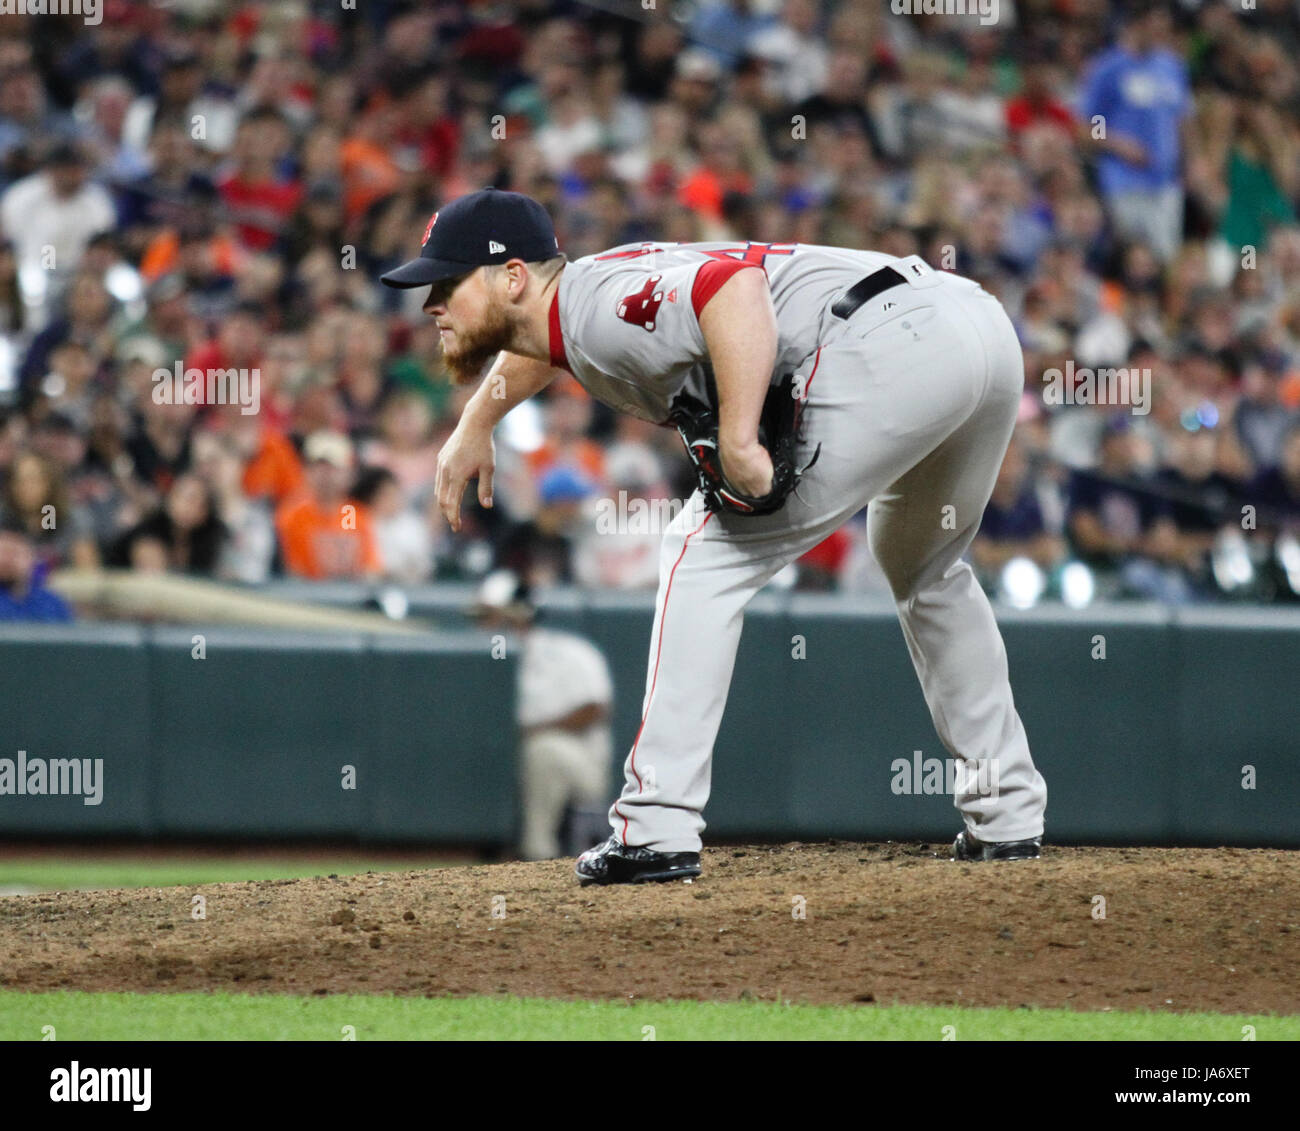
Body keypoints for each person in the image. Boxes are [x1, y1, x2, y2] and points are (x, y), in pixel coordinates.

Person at [383, 187, 1048, 884]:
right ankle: (1007, 815)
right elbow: (546, 346)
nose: (431, 303)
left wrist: (737, 437)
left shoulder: (597, 310)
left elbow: (731, 288)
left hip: (888, 343)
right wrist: (475, 423)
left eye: (447, 283)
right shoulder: (578, 302)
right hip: (976, 332)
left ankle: (654, 826)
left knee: (700, 556)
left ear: (512, 277)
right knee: (926, 566)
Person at [471, 569, 613, 862]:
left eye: (492, 616)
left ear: (519, 616)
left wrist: (533, 730)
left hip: (582, 765)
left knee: (542, 749)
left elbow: (595, 708)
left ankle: (537, 856)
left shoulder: (569, 652)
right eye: (483, 617)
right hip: (512, 761)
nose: (484, 625)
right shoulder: (481, 665)